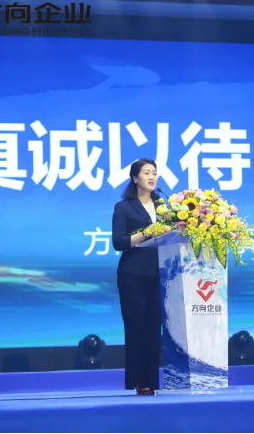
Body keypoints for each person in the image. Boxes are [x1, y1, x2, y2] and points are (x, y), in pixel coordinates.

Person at [111, 158, 163, 396]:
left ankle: (152, 381)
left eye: (154, 173)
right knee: (136, 328)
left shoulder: (163, 206)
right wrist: (146, 233)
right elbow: (118, 242)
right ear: (135, 178)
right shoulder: (124, 207)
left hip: (158, 273)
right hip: (132, 275)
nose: (152, 177)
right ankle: (140, 381)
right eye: (146, 173)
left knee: (153, 328)